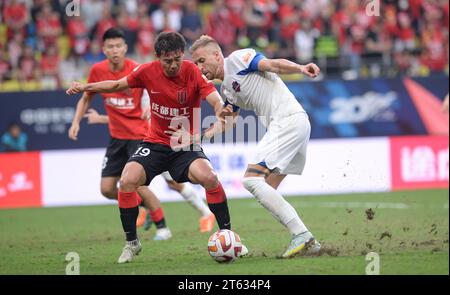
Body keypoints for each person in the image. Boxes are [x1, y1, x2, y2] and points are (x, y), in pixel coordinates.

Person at [66, 31, 248, 264]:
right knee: (127, 181)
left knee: (209, 177)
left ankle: (229, 236)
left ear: (183, 55)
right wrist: (85, 86)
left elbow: (214, 100)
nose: (173, 65)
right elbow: (115, 85)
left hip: (185, 145)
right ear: (157, 57)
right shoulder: (146, 71)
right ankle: (132, 243)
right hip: (155, 143)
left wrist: (219, 111)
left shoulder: (192, 71)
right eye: (167, 61)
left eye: (177, 60)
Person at [190, 35, 322, 258]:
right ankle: (309, 241)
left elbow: (273, 65)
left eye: (201, 61)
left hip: (288, 120)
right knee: (267, 188)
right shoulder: (227, 91)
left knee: (252, 179)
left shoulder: (239, 59)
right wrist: (202, 136)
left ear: (216, 55)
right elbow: (228, 120)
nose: (200, 68)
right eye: (196, 64)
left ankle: (302, 235)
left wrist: (300, 68)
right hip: (293, 124)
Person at [68, 28, 173, 241]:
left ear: (125, 48)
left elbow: (156, 91)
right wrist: (76, 121)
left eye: (118, 46)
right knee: (106, 189)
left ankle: (163, 227)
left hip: (138, 136)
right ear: (103, 49)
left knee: (137, 184)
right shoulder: (97, 70)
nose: (114, 50)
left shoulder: (135, 69)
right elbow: (87, 97)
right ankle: (138, 206)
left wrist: (149, 108)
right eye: (110, 47)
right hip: (116, 137)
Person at [83, 107, 216, 233]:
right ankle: (149, 209)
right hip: (147, 143)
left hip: (156, 142)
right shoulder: (137, 89)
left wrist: (101, 118)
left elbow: (135, 118)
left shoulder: (145, 90)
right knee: (134, 183)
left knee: (172, 182)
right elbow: (127, 118)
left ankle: (204, 215)